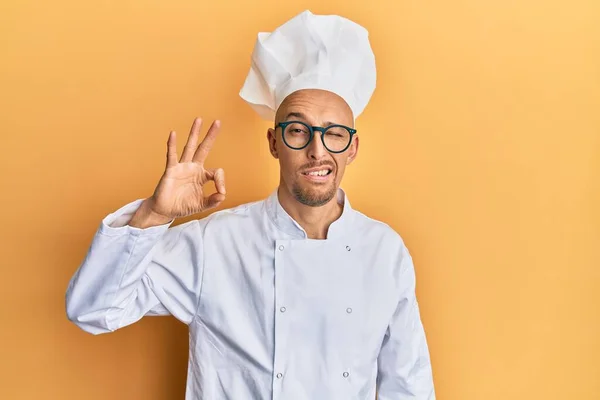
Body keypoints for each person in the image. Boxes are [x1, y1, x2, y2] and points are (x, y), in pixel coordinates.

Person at [65, 9, 436, 400]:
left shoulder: (385, 251)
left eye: (335, 134)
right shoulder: (214, 244)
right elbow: (93, 310)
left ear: (353, 148)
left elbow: (408, 387)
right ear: (274, 143)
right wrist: (154, 215)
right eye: (298, 131)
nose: (317, 151)